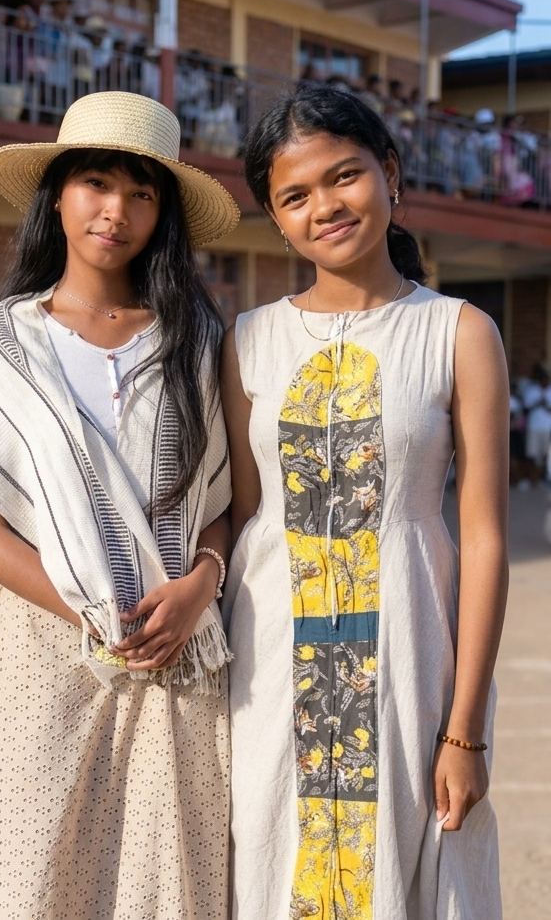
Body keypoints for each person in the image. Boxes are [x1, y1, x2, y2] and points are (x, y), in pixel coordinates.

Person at [0, 90, 239, 918]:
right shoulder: (7, 340)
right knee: (30, 874)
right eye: (97, 183)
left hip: (177, 650)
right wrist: (99, 616)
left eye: (142, 193)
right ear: (59, 194)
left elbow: (217, 502)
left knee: (163, 877)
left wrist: (196, 589)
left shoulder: (193, 339)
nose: (116, 210)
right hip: (42, 650)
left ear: (164, 213)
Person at [220, 82, 508, 919]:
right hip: (270, 665)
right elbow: (245, 521)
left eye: (343, 176)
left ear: (389, 172)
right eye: (294, 196)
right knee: (274, 864)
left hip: (413, 658)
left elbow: (484, 537)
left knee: (414, 869)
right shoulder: (246, 339)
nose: (325, 207)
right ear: (275, 218)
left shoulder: (457, 331)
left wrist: (464, 728)